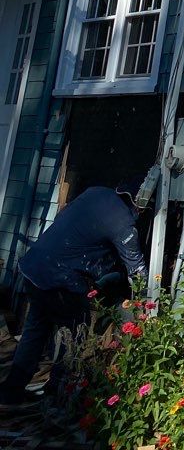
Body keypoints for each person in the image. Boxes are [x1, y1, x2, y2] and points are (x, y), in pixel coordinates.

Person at [0, 172, 154, 407]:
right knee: (73, 336)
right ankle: (56, 397)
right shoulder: (125, 225)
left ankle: (11, 392)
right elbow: (138, 271)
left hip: (34, 268)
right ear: (139, 205)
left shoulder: (96, 192)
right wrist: (147, 308)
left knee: (36, 329)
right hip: (60, 281)